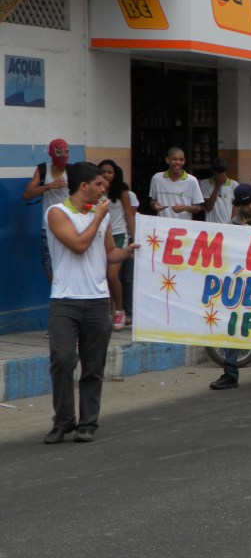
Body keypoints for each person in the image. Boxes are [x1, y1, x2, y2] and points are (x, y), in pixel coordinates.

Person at [44, 162, 138, 443]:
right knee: (62, 360)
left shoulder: (101, 216)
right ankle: (63, 421)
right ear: (84, 186)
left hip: (97, 301)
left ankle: (88, 423)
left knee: (93, 365)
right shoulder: (57, 212)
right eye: (99, 184)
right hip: (65, 300)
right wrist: (98, 217)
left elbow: (109, 253)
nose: (103, 189)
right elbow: (78, 245)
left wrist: (129, 252)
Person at [209, 184, 251, 390]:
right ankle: (230, 373)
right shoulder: (232, 225)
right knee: (235, 325)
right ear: (239, 205)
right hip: (243, 282)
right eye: (247, 204)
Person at [22, 137, 71, 282]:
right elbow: (26, 194)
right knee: (50, 268)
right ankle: (56, 292)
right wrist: (49, 186)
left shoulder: (73, 171)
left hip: (71, 224)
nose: (62, 155)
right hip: (48, 227)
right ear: (51, 153)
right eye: (59, 152)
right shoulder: (43, 169)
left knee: (70, 264)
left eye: (66, 152)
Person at [98, 160, 135, 331]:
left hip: (119, 235)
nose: (106, 175)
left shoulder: (122, 191)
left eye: (109, 172)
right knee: (103, 276)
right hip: (100, 236)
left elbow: (129, 215)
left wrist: (134, 237)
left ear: (115, 173)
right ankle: (109, 311)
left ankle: (120, 311)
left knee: (112, 275)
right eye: (103, 171)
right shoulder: (96, 190)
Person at [149, 147, 204, 219]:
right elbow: (152, 201)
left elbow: (197, 208)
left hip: (183, 224)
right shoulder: (157, 178)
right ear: (167, 160)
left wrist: (184, 208)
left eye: (181, 160)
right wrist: (154, 205)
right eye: (174, 159)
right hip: (162, 223)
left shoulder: (192, 181)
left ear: (184, 161)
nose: (178, 162)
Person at [199, 157, 237, 224]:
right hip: (211, 225)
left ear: (225, 172)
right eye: (218, 173)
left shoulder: (233, 184)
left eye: (222, 172)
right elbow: (208, 207)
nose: (220, 175)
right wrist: (217, 186)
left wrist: (232, 224)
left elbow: (236, 207)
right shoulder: (205, 183)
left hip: (228, 225)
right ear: (213, 172)